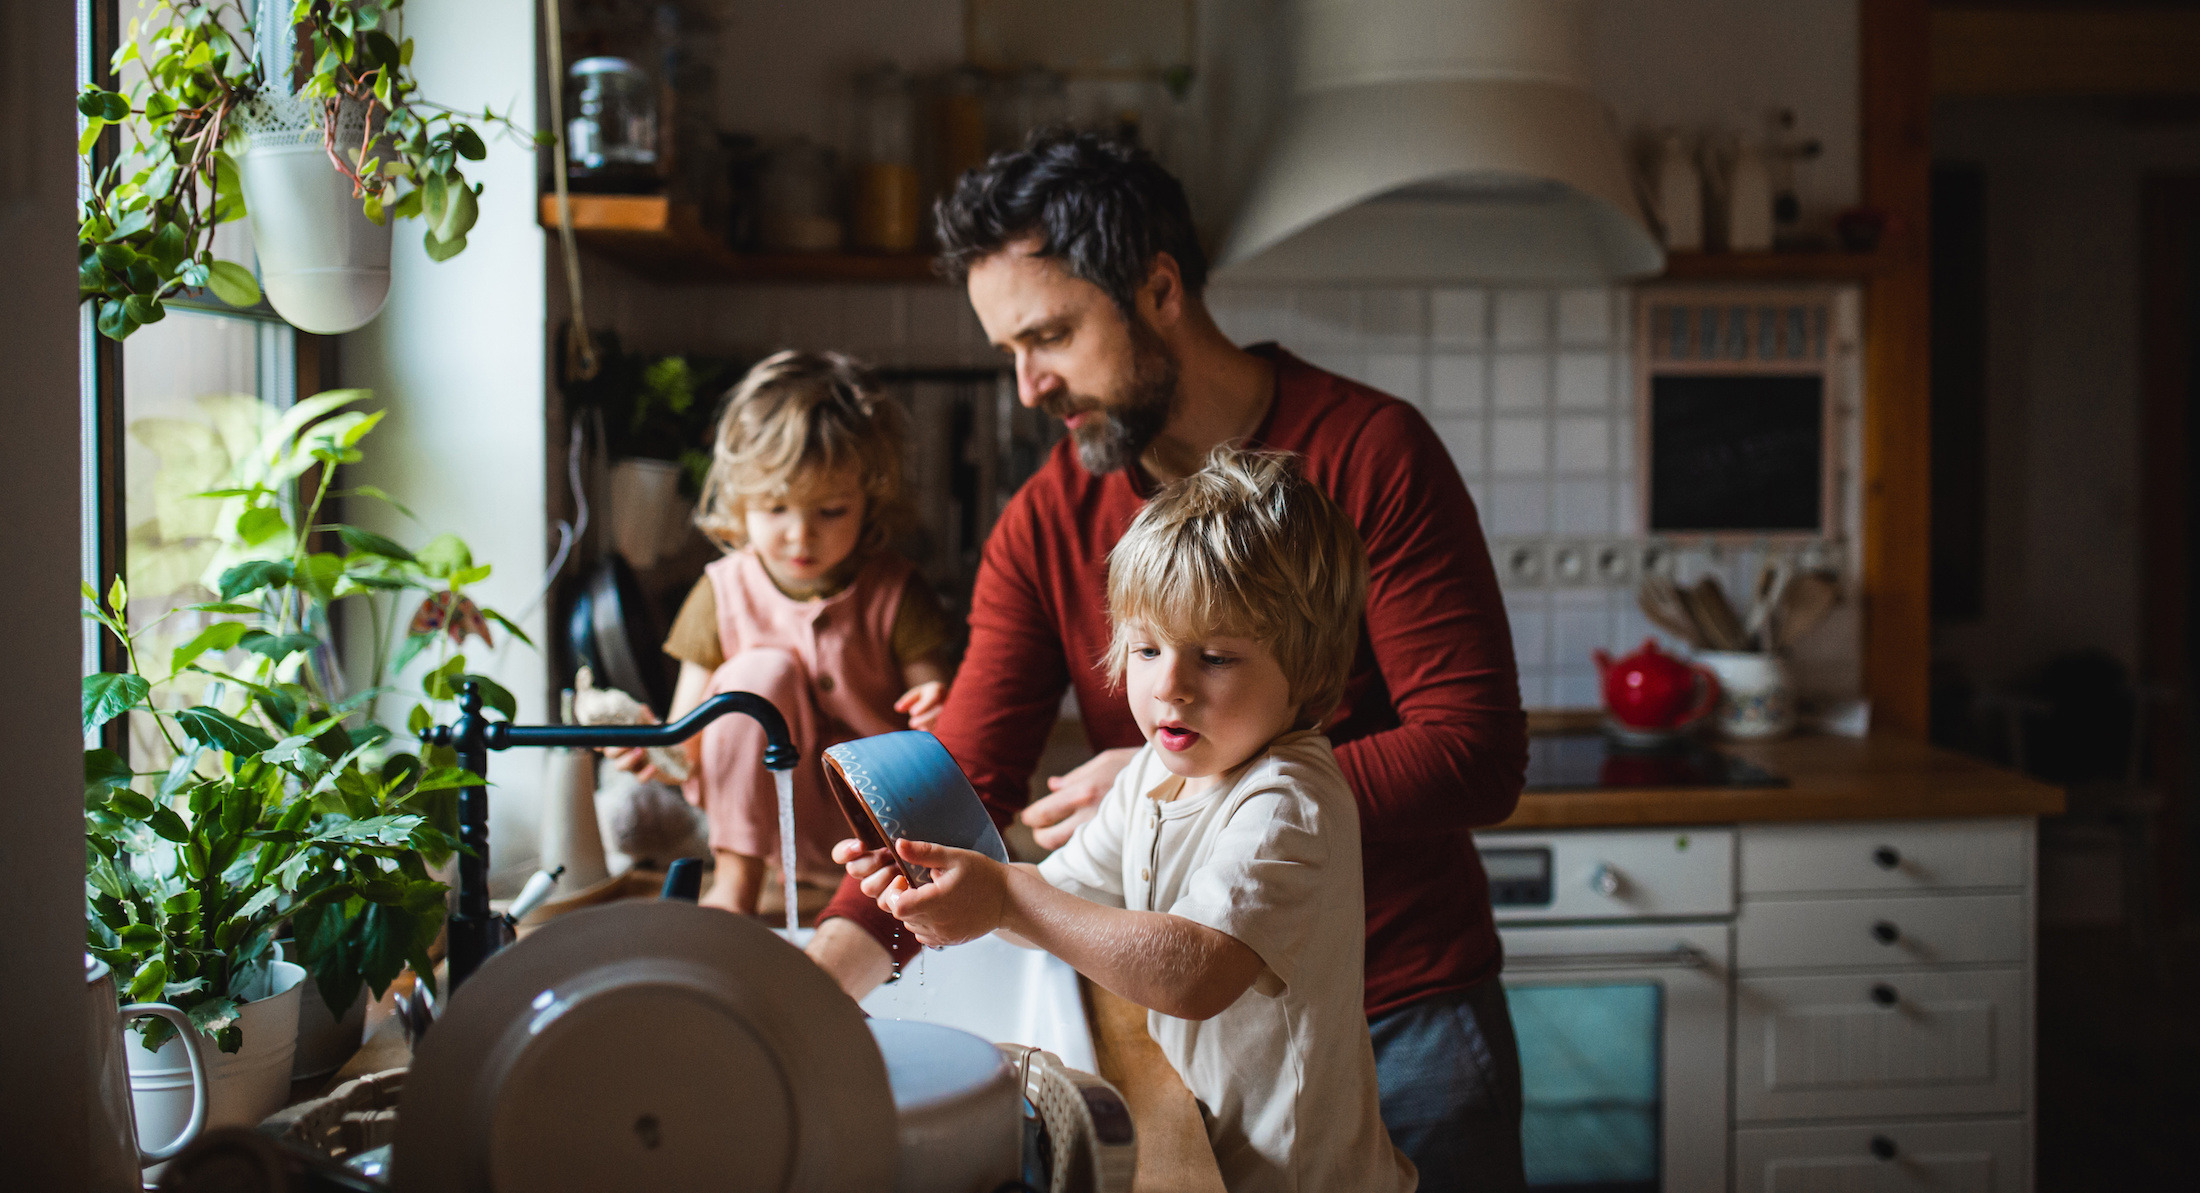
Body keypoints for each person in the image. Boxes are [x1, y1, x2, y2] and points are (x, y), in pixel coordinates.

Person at [807, 132, 1529, 1190]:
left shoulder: (1370, 453)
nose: (1027, 386)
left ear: (1157, 289)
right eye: (1008, 347)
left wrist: (1196, 787)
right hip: (1197, 1040)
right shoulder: (1049, 514)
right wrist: (827, 975)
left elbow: (1472, 751)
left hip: (1400, 1014)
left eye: (1049, 334)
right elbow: (959, 779)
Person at [869, 448, 1415, 1193]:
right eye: (1147, 646)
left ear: (1311, 673)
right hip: (1215, 1152)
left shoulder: (1289, 800)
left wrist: (1006, 896)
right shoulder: (1152, 772)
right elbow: (1057, 898)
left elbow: (1195, 971)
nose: (1169, 686)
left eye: (1216, 656)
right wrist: (940, 884)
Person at [626, 350, 956, 914]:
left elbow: (942, 714)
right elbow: (690, 738)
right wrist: (654, 747)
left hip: (878, 827)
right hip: (762, 824)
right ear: (740, 500)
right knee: (757, 675)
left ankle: (858, 889)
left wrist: (937, 706)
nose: (800, 536)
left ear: (868, 500)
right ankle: (736, 884)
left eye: (830, 511)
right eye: (776, 508)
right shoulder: (722, 591)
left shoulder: (896, 590)